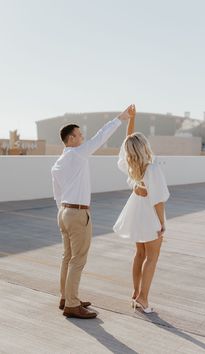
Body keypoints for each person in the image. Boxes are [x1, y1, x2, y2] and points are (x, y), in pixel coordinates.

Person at [51, 105, 133, 319]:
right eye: (79, 134)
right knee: (77, 259)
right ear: (70, 139)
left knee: (67, 257)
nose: (83, 137)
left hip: (64, 212)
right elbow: (100, 137)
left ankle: (66, 297)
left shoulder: (58, 164)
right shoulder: (77, 154)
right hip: (77, 213)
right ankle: (71, 304)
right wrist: (120, 119)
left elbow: (57, 195)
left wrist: (63, 213)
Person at [113, 106, 170, 313]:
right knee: (152, 257)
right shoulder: (153, 169)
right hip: (149, 215)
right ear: (144, 147)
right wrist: (162, 223)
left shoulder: (130, 166)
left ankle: (136, 294)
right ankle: (144, 299)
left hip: (136, 212)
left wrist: (131, 120)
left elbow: (126, 145)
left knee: (139, 254)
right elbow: (159, 200)